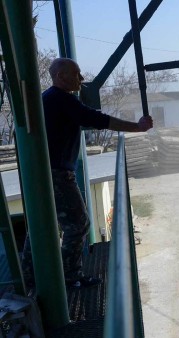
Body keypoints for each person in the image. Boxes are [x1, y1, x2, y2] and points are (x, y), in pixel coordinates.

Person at [21, 58, 153, 289]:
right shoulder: (62, 100)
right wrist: (137, 127)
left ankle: (29, 278)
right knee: (78, 223)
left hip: (44, 172)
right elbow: (98, 119)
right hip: (57, 173)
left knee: (41, 225)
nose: (81, 79)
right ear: (61, 76)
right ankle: (70, 276)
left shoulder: (49, 99)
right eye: (77, 73)